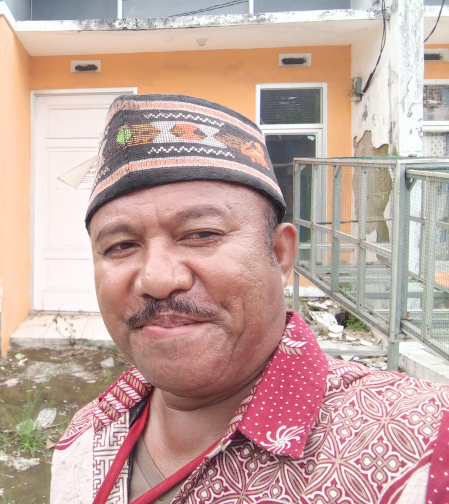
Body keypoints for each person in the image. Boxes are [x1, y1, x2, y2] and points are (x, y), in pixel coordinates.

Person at [50, 94, 449, 504]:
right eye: (121, 245)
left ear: (280, 254)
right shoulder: (87, 434)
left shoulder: (422, 444)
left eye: (201, 234)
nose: (156, 279)